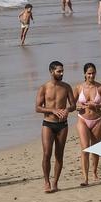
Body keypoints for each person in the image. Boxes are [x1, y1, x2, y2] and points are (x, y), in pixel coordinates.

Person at [35, 61, 75, 193]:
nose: (62, 73)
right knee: (47, 153)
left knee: (59, 154)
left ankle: (55, 182)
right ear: (51, 71)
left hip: (62, 125)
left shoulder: (66, 87)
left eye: (62, 71)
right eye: (59, 71)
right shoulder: (44, 88)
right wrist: (52, 110)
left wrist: (67, 110)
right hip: (48, 123)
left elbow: (73, 105)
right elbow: (38, 108)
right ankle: (46, 181)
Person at [74, 63, 101, 186]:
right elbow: (70, 104)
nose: (91, 75)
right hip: (83, 119)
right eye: (89, 73)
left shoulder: (100, 88)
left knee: (95, 148)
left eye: (93, 73)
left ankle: (94, 172)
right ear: (84, 74)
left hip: (97, 120)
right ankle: (85, 178)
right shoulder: (79, 88)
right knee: (85, 148)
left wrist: (97, 105)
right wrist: (76, 106)